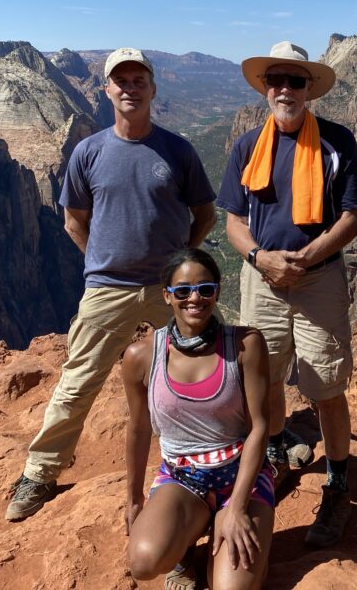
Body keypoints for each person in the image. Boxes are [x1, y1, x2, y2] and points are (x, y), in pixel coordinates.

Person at [6, 48, 217, 521]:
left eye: (138, 79)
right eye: (120, 80)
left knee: (208, 370)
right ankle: (39, 474)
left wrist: (182, 262)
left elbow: (204, 213)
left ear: (152, 88)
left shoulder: (178, 149)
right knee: (77, 382)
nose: (129, 87)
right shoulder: (89, 151)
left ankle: (216, 461)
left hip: (171, 289)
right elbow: (73, 221)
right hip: (108, 289)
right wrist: (100, 263)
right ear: (107, 90)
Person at [217, 41, 357, 548]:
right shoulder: (247, 146)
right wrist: (261, 259)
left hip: (317, 277)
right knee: (265, 377)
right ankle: (279, 452)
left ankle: (338, 480)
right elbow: (233, 221)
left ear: (309, 89)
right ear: (266, 88)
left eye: (295, 81)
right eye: (276, 80)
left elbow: (351, 218)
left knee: (325, 384)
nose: (285, 88)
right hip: (260, 275)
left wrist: (306, 258)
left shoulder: (336, 141)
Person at [123, 249, 273, 590]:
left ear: (217, 291)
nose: (195, 298)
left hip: (241, 479)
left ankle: (237, 527)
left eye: (206, 289)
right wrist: (134, 499)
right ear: (167, 295)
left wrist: (236, 507)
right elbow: (139, 427)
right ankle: (188, 544)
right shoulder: (142, 355)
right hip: (182, 478)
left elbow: (260, 427)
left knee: (231, 589)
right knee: (144, 563)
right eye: (183, 291)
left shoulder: (246, 346)